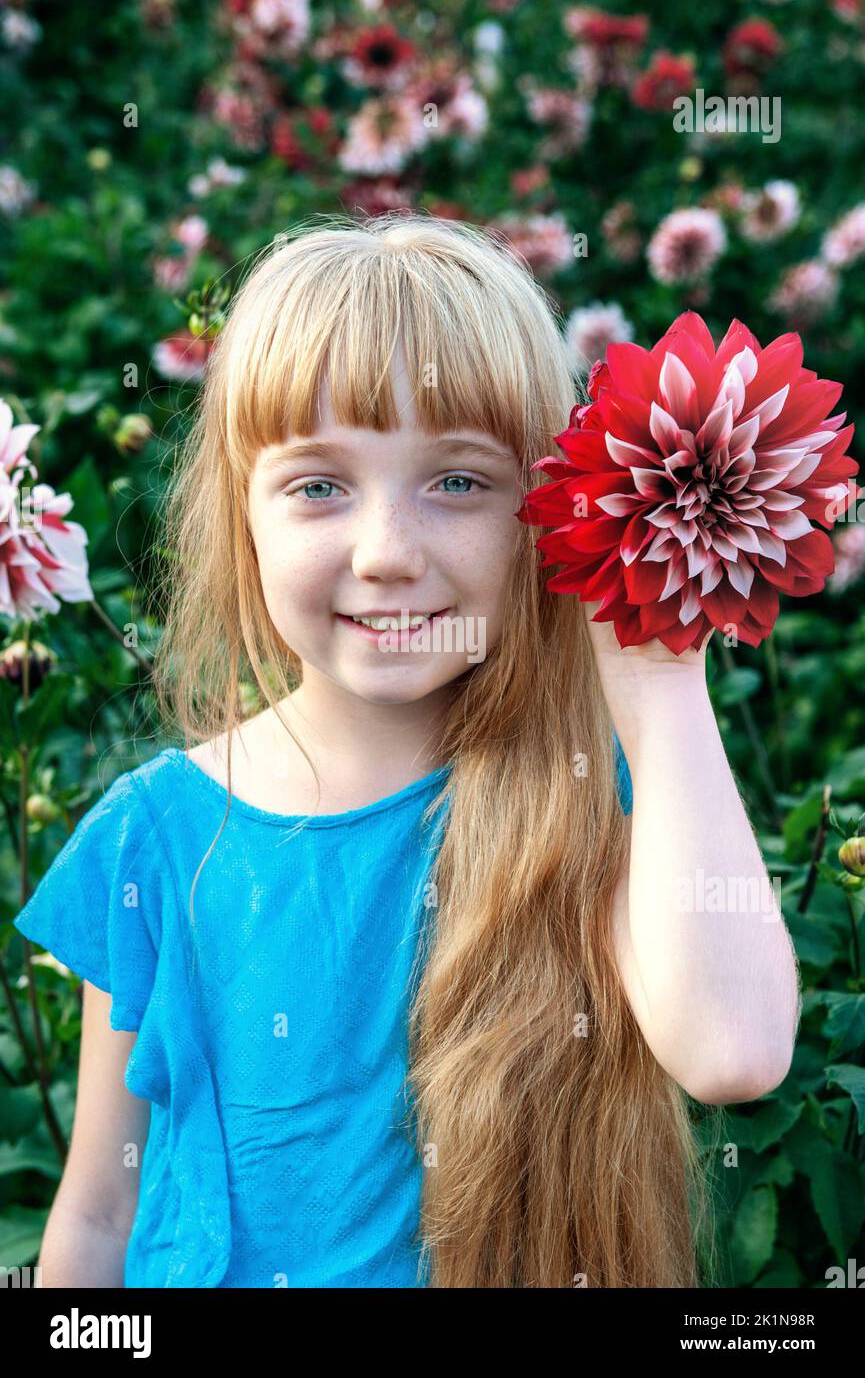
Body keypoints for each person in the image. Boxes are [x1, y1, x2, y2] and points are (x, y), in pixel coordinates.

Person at [13, 211, 799, 1288]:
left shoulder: (591, 797)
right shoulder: (157, 836)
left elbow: (735, 1053)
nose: (386, 553)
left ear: (547, 514)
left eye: (459, 482)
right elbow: (101, 1209)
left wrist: (658, 680)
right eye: (319, 485)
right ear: (243, 519)